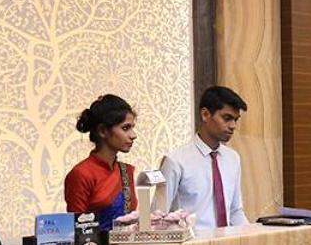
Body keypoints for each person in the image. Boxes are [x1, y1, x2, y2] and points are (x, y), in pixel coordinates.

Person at [159, 85, 248, 232]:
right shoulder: (176, 161)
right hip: (190, 243)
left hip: (227, 242)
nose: (233, 126)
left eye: (235, 120)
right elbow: (158, 216)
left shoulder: (233, 158)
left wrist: (250, 237)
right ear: (205, 115)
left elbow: (235, 211)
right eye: (227, 118)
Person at [63, 94, 138, 232]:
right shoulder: (81, 174)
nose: (133, 135)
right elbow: (78, 230)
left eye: (132, 127)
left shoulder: (126, 171)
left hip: (128, 244)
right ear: (103, 131)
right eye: (125, 128)